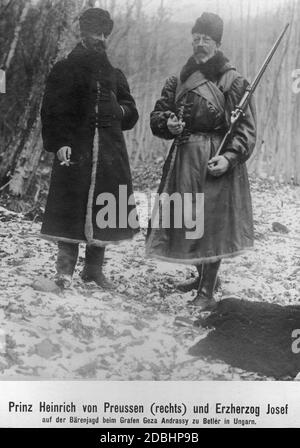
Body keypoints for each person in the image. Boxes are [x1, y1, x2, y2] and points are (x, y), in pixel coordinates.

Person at [146, 12, 256, 311]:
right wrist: (167, 123)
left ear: (218, 43)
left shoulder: (233, 81)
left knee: (212, 224)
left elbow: (246, 131)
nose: (200, 43)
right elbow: (157, 116)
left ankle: (207, 290)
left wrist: (229, 158)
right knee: (187, 220)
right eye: (196, 38)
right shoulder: (178, 79)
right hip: (183, 156)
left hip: (215, 157)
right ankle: (200, 277)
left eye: (207, 38)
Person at [41, 8, 139, 289]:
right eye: (94, 33)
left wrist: (119, 110)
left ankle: (93, 270)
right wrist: (59, 144)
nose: (99, 38)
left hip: (109, 153)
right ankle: (64, 271)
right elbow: (50, 112)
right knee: (69, 207)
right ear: (83, 34)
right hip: (75, 151)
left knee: (104, 209)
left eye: (103, 33)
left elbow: (132, 112)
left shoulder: (115, 74)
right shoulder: (64, 70)